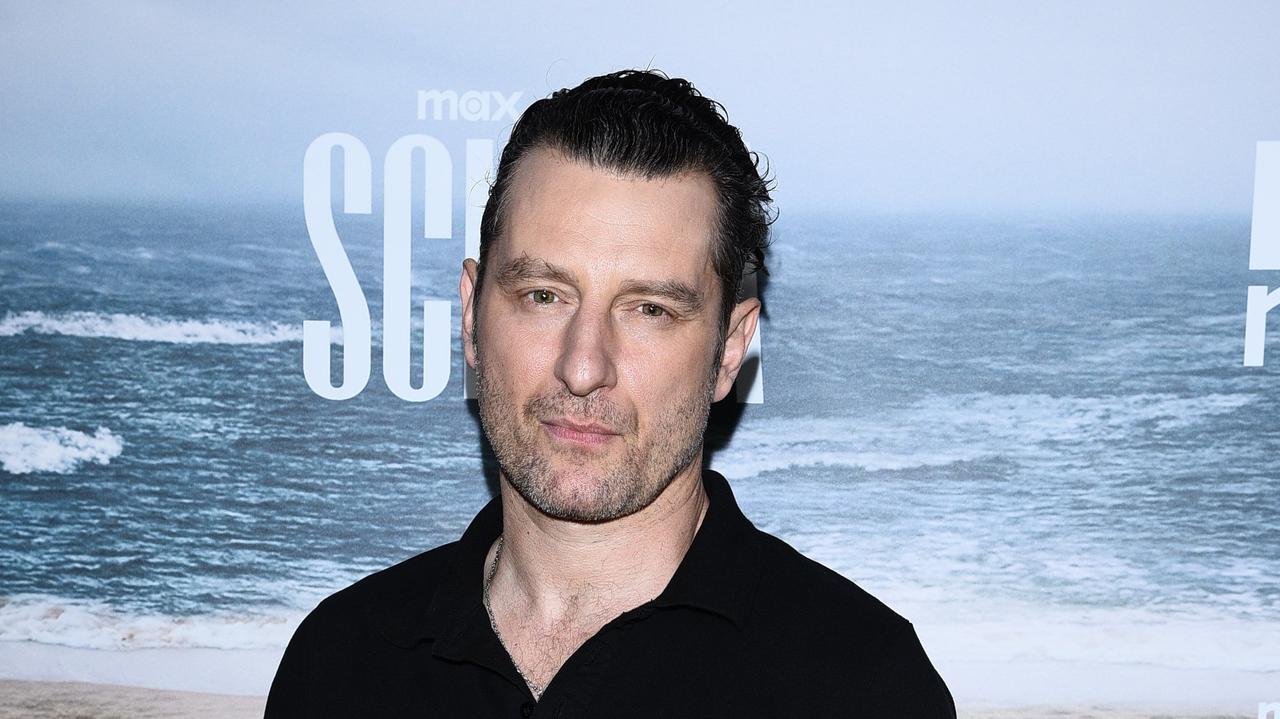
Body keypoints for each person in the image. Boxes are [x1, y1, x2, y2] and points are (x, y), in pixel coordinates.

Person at [266, 68, 955, 718]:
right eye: (544, 295)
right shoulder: (340, 663)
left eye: (650, 309)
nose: (583, 366)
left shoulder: (862, 686)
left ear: (729, 349)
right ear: (472, 316)